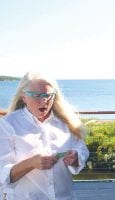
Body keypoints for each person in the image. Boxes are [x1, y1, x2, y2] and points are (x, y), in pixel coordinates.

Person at [0, 71, 89, 200]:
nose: (44, 101)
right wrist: (30, 163)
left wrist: (76, 157)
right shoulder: (8, 124)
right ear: (23, 97)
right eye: (37, 95)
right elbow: (2, 173)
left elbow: (82, 149)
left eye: (48, 95)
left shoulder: (67, 122)